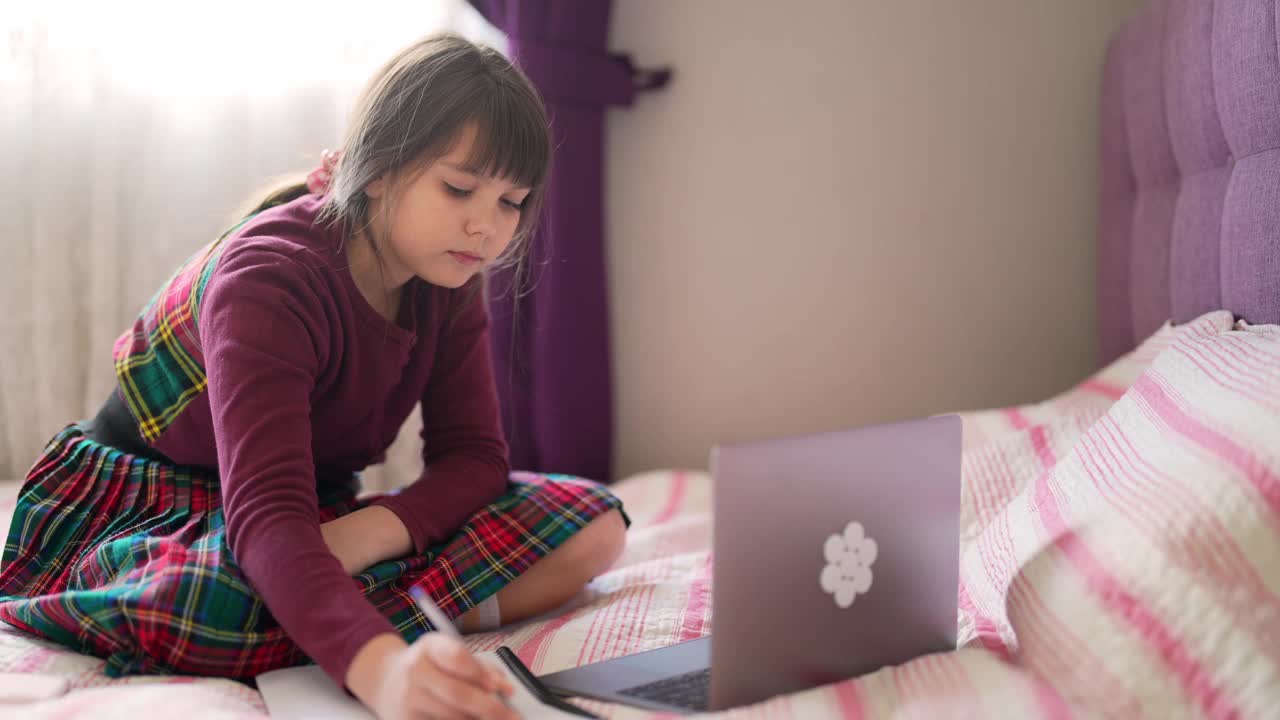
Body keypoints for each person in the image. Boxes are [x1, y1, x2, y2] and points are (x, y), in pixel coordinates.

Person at [0, 32, 628, 720]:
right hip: (154, 511)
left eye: (512, 202)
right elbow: (267, 517)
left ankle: (317, 602)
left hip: (307, 517)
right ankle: (348, 614)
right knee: (208, 602)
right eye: (459, 188)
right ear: (380, 169)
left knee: (592, 526)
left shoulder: (447, 276)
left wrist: (366, 535)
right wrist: (382, 673)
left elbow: (477, 458)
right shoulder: (269, 278)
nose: (487, 226)